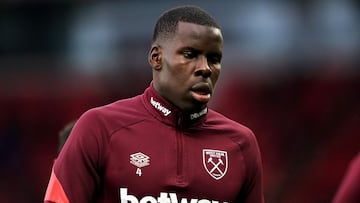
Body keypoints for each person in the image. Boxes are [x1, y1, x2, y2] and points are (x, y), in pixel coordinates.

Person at [44, 5, 264, 203]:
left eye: (214, 59)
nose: (205, 68)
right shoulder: (99, 128)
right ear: (156, 58)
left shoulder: (241, 144)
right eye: (190, 54)